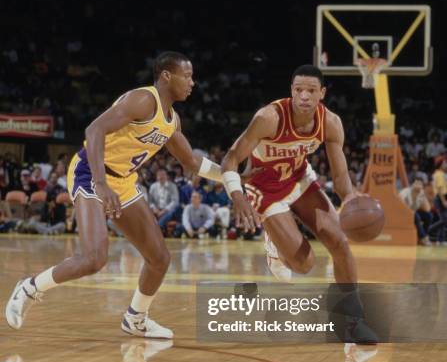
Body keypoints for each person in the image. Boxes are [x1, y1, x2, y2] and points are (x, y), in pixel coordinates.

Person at [5, 51, 224, 338]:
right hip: (91, 172)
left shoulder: (172, 120)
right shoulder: (143, 100)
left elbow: (192, 163)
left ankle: (136, 318)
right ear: (166, 76)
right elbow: (94, 129)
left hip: (122, 180)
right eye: (187, 75)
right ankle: (30, 287)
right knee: (94, 259)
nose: (192, 82)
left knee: (159, 257)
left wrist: (234, 175)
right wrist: (100, 182)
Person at [221, 64, 375, 342]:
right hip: (264, 189)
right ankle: (274, 245)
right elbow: (230, 159)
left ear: (322, 93)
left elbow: (340, 175)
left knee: (340, 242)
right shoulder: (268, 118)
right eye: (298, 89)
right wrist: (237, 195)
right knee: (304, 265)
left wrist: (350, 197)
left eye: (311, 90)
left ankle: (351, 319)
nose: (304, 96)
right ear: (291, 91)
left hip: (299, 179)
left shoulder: (330, 123)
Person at [399, 178, 432, 245]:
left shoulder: (421, 194)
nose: (418, 185)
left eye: (420, 184)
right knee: (415, 215)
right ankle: (423, 237)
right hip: (403, 213)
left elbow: (427, 209)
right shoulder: (405, 192)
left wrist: (424, 199)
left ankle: (424, 236)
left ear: (422, 186)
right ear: (412, 185)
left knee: (429, 216)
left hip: (413, 212)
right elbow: (400, 206)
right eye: (416, 183)